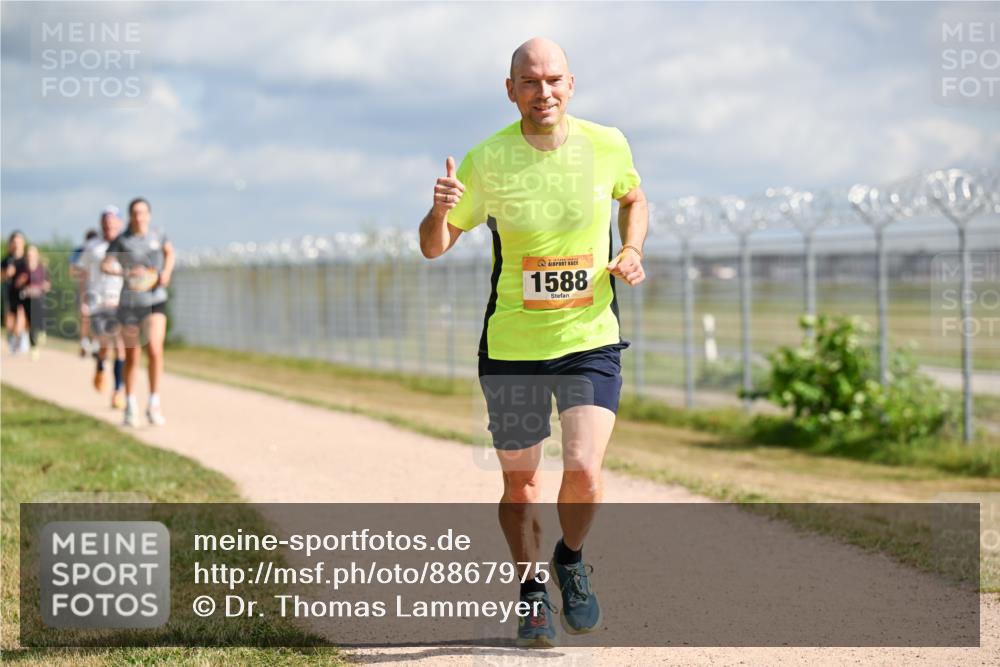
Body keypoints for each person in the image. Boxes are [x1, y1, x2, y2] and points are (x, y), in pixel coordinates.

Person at [418, 37, 647, 648]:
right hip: (513, 347)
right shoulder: (486, 159)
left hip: (588, 337)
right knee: (521, 487)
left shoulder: (607, 144)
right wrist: (439, 211)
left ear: (570, 84)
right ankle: (530, 592)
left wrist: (631, 248)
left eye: (553, 80)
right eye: (529, 81)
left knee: (584, 469)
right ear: (511, 89)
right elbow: (434, 247)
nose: (542, 92)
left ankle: (569, 558)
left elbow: (633, 197)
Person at [102, 197, 174, 426]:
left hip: (155, 300)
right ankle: (130, 403)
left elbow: (170, 253)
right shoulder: (122, 240)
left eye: (143, 213)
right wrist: (125, 273)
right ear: (130, 216)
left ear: (149, 215)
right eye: (135, 213)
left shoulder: (158, 235)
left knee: (154, 349)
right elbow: (105, 264)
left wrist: (166, 273)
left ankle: (154, 403)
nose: (139, 217)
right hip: (130, 303)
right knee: (132, 355)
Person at [80, 206, 126, 407]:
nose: (109, 225)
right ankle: (100, 364)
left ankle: (118, 391)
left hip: (120, 301)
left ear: (119, 223)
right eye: (106, 222)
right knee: (104, 345)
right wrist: (83, 300)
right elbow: (84, 275)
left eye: (112, 222)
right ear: (101, 224)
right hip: (97, 302)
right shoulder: (92, 246)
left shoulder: (126, 244)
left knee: (120, 344)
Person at [14, 245, 51, 360]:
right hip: (27, 299)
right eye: (28, 254)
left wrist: (43, 286)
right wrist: (21, 281)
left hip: (38, 299)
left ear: (36, 255)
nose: (30, 256)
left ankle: (42, 331)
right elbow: (16, 284)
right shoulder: (22, 268)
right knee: (31, 323)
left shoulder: (42, 268)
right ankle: (34, 347)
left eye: (32, 254)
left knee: (39, 318)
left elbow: (48, 285)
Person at [71, 229, 100, 356]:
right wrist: (84, 273)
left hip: (98, 290)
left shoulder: (101, 251)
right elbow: (73, 271)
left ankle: (95, 344)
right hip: (83, 288)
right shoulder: (79, 251)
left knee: (96, 318)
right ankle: (84, 343)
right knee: (85, 316)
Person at [2, 230, 28, 353]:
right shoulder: (7, 260)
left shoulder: (26, 260)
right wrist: (6, 273)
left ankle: (20, 338)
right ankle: (12, 338)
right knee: (9, 319)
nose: (17, 244)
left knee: (21, 313)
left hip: (23, 292)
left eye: (19, 241)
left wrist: (24, 279)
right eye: (14, 242)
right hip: (9, 292)